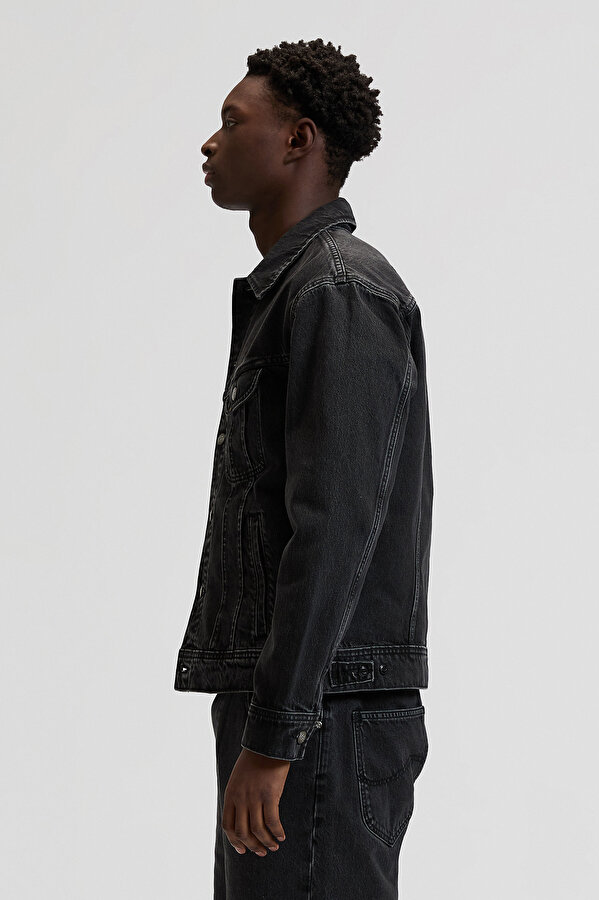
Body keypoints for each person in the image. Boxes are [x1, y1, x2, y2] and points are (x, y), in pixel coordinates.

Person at [173, 37, 434, 899]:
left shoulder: (337, 289)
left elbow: (333, 528)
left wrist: (276, 732)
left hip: (323, 718)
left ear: (297, 140)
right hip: (302, 707)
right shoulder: (297, 290)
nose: (210, 142)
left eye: (231, 121)